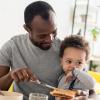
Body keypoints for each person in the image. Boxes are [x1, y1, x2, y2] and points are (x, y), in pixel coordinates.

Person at [0, 1, 63, 100]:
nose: (50, 39)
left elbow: (90, 91)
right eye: (42, 35)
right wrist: (10, 75)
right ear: (27, 29)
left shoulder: (65, 49)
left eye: (54, 32)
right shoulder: (12, 46)